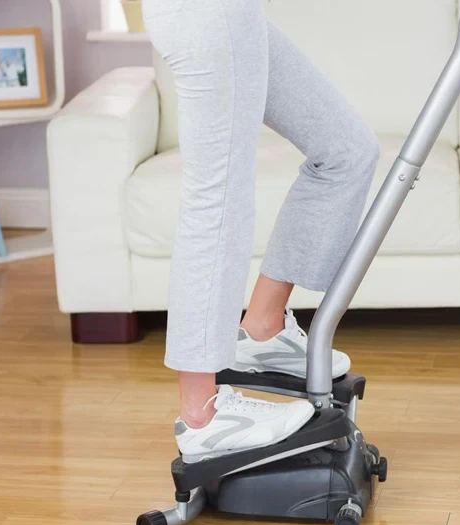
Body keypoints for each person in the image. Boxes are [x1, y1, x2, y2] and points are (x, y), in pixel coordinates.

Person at [142, 0, 381, 464]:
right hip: (205, 13)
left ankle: (264, 327)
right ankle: (200, 415)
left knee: (347, 148)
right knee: (218, 198)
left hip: (238, 13)